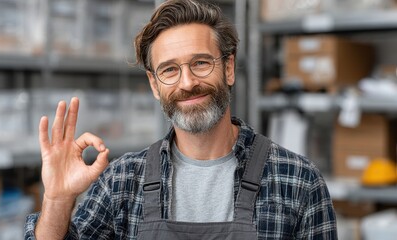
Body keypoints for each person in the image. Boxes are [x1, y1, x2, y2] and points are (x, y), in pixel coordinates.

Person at [25, 0, 337, 239]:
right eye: (170, 70)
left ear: (229, 68)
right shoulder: (121, 181)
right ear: (154, 85)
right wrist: (58, 198)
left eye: (200, 63)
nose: (187, 82)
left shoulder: (297, 181)